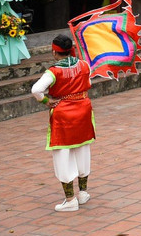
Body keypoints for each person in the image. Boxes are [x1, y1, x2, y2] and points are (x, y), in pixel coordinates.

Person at [31, 34, 95, 212]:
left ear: (54, 52)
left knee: (62, 153)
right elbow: (88, 82)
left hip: (64, 113)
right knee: (83, 148)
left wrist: (45, 101)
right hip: (83, 110)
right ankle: (83, 193)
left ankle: (70, 199)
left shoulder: (54, 71)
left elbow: (36, 89)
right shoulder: (84, 64)